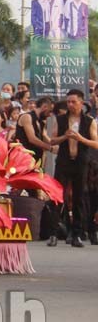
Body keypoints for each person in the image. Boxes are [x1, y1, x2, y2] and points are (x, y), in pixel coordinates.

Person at [47, 89, 98, 247]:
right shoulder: (61, 119)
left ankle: (77, 234)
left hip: (81, 162)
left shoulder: (89, 121)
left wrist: (80, 138)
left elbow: (96, 143)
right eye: (68, 101)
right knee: (57, 196)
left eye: (73, 101)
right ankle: (53, 233)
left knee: (79, 198)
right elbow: (52, 141)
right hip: (63, 161)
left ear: (81, 103)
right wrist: (65, 137)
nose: (70, 104)